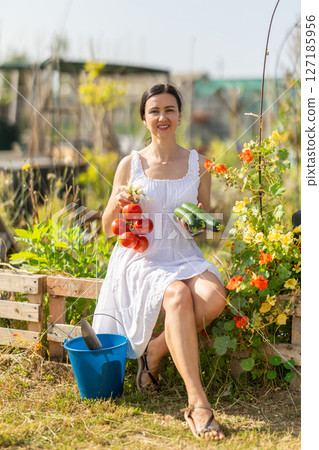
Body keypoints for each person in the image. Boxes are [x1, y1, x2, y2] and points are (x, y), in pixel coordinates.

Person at [93, 83, 226, 441]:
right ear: (144, 119)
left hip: (182, 252)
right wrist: (119, 204)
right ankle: (198, 405)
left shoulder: (198, 163)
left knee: (214, 297)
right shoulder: (131, 164)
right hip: (142, 257)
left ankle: (154, 351)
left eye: (169, 110)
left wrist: (196, 221)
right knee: (178, 297)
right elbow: (108, 228)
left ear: (180, 116)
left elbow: (204, 222)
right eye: (154, 111)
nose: (162, 117)